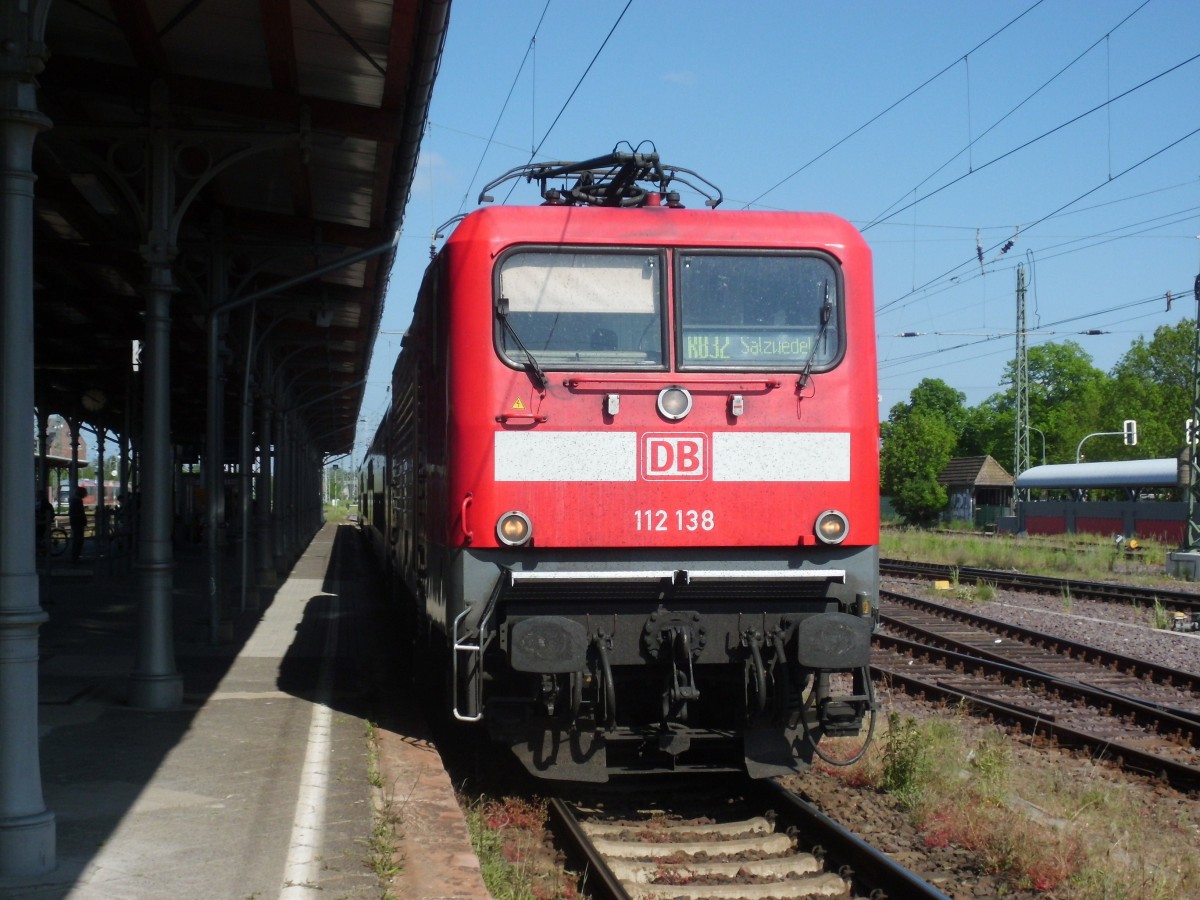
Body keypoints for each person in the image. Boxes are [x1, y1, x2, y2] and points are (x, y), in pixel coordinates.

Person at [69, 485, 88, 562]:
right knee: (78, 539)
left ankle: (75, 555)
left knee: (77, 539)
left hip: (75, 522)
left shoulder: (74, 500)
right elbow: (80, 512)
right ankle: (75, 556)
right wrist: (84, 520)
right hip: (78, 523)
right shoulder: (77, 501)